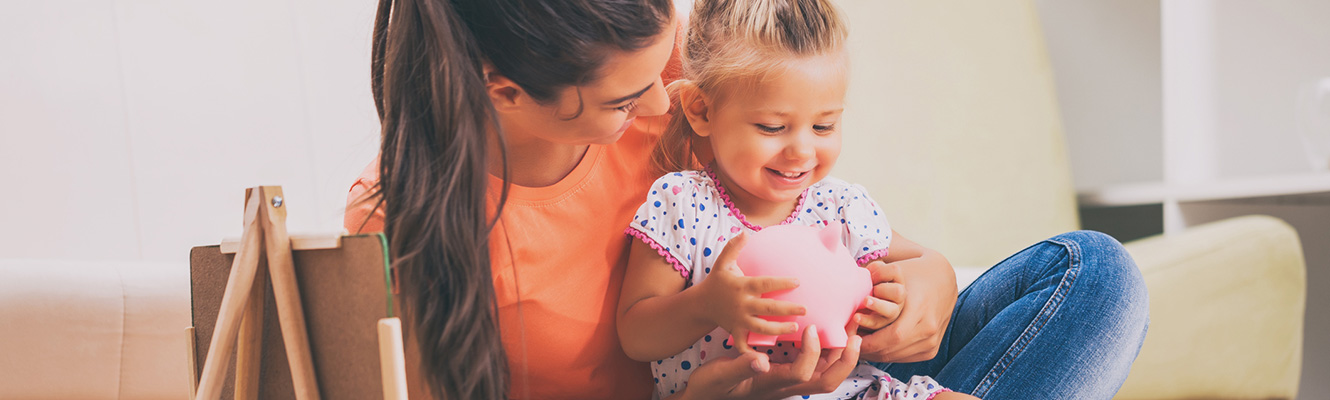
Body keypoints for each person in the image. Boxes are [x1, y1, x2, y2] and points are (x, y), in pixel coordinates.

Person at [346, 0, 1150, 398]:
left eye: (666, 76)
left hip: (837, 364)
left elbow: (842, 226)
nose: (664, 112)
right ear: (506, 90)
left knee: (1095, 276)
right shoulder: (405, 227)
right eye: (625, 103)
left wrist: (929, 280)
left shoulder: (651, 54)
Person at [616, 1, 975, 399]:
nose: (802, 151)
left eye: (824, 125)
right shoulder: (681, 204)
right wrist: (706, 304)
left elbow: (899, 278)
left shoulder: (842, 206)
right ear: (702, 110)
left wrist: (888, 304)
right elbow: (636, 336)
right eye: (773, 127)